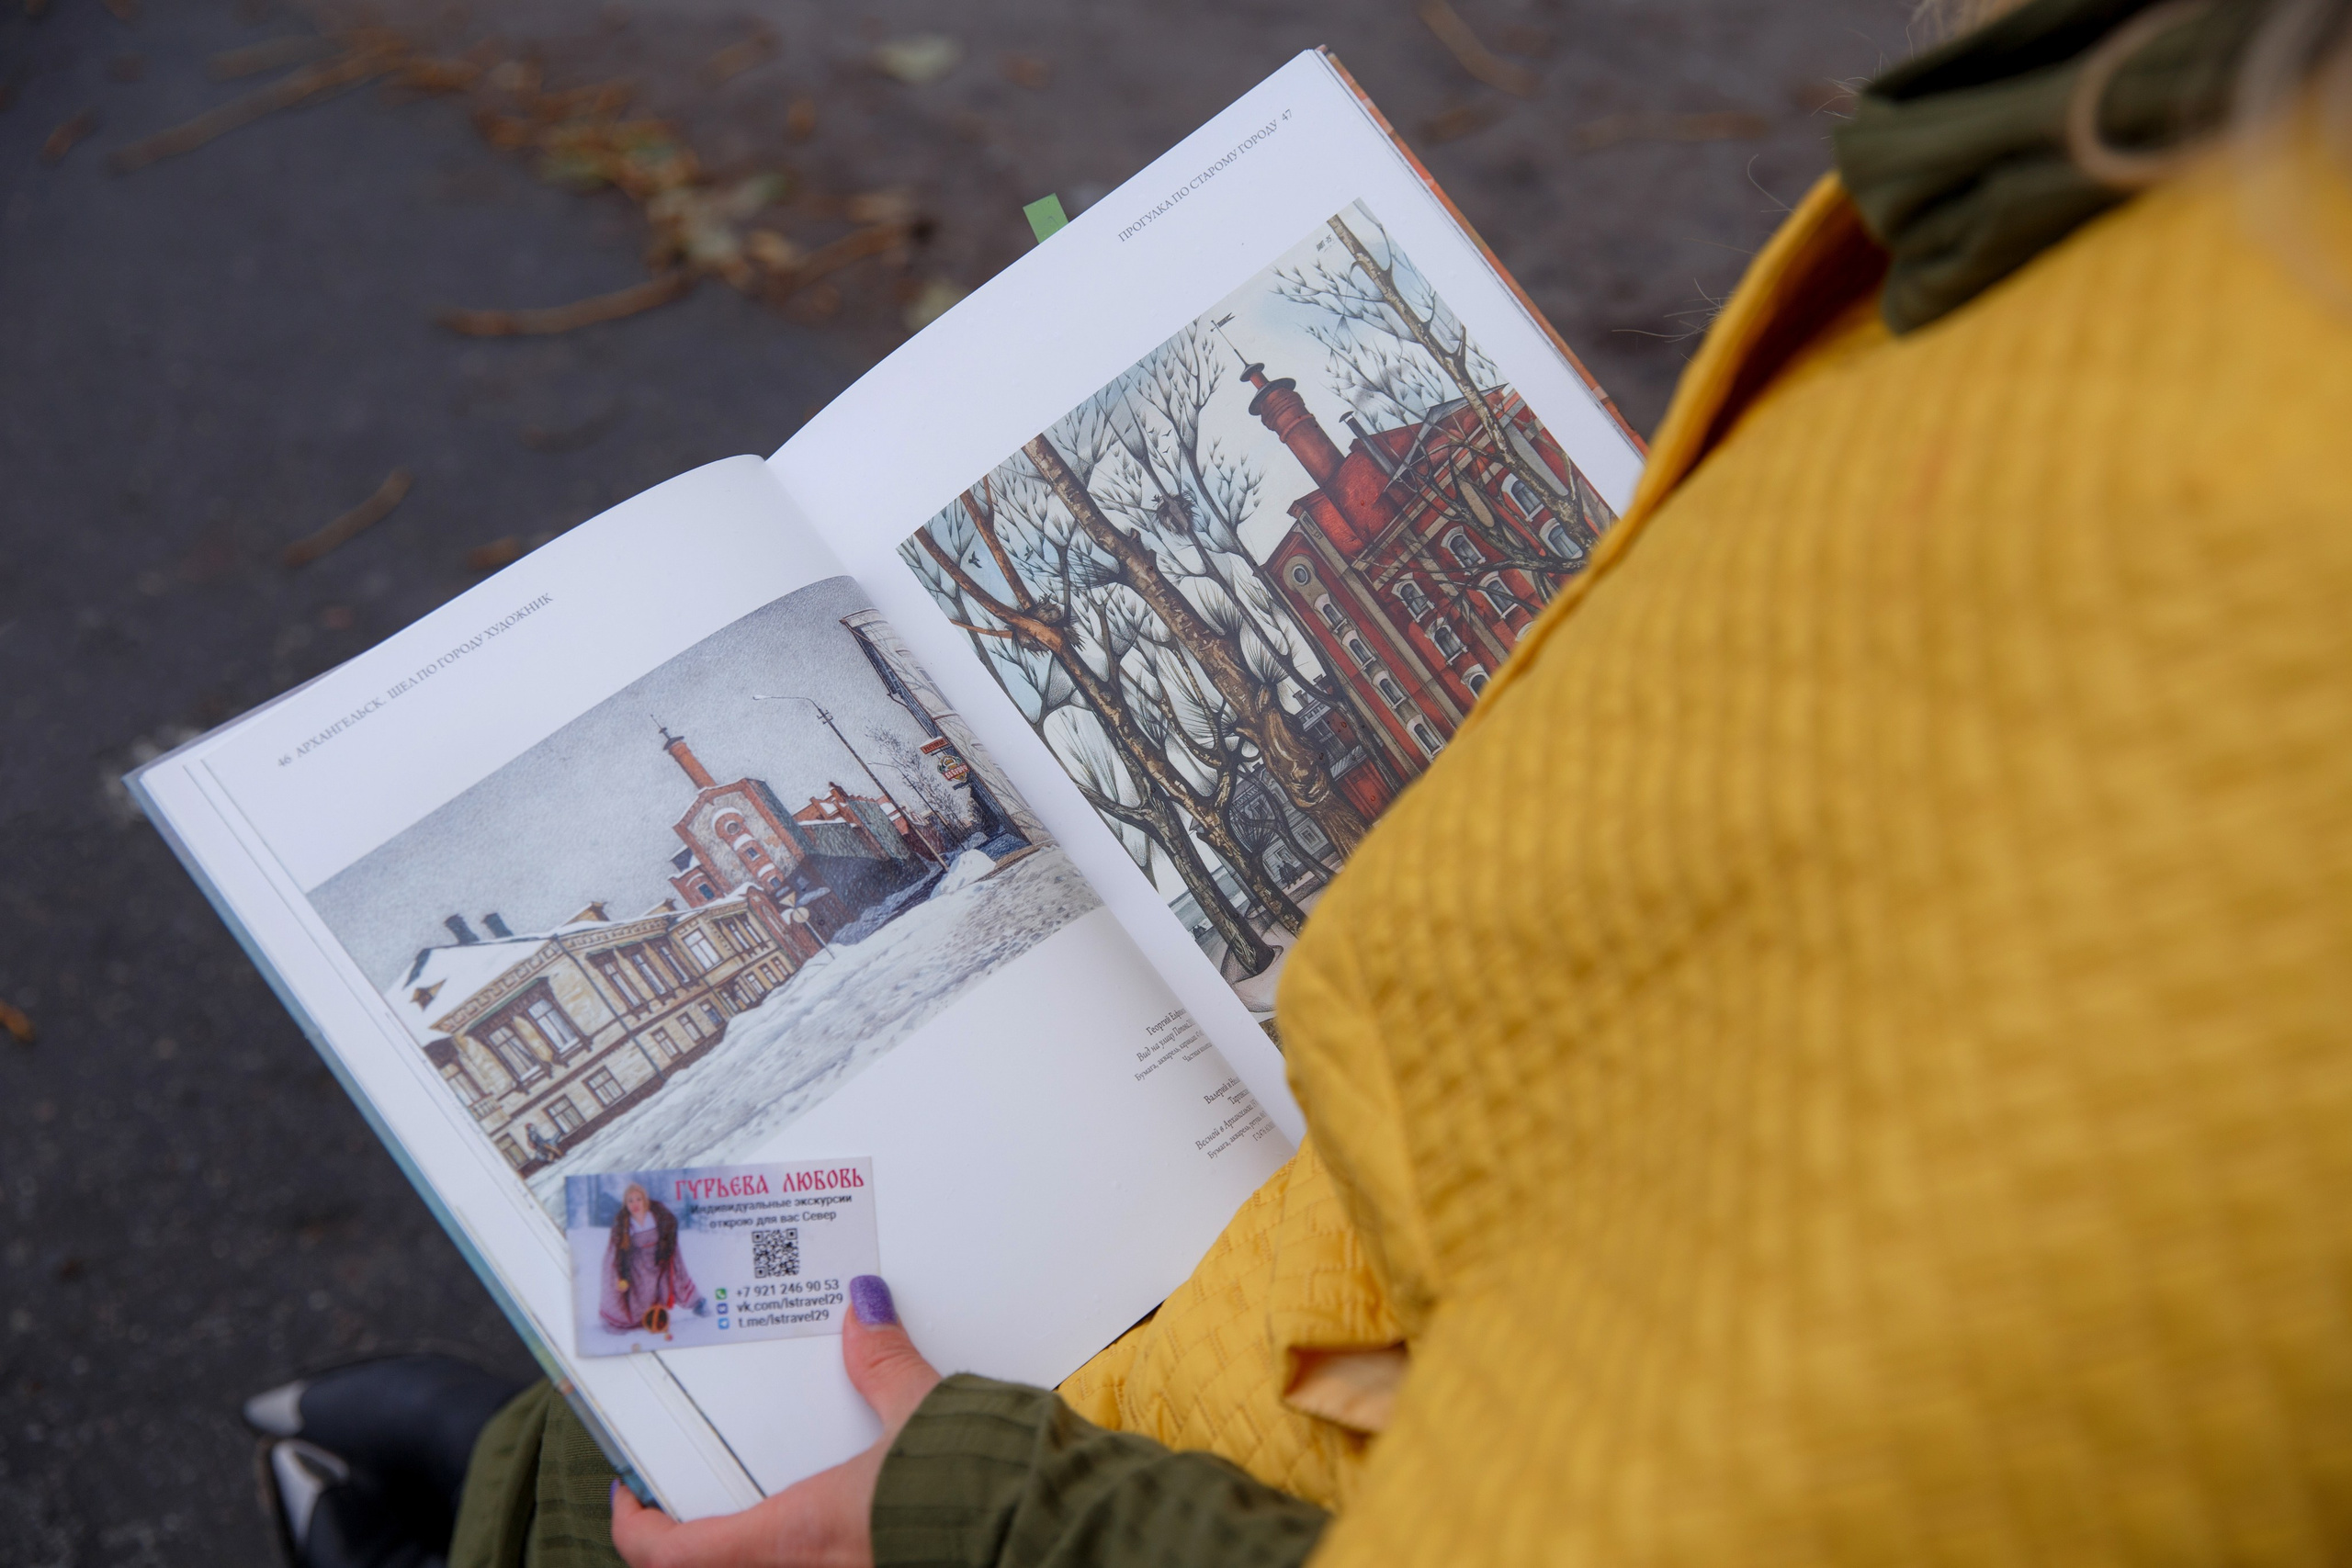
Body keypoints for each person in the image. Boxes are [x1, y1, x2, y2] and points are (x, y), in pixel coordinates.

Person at [250, 0, 2352, 1562]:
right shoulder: (2172, 148)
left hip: (1188, 1436)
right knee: (613, 1426)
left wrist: (1001, 1520)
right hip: (1265, 1285)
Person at [601, 1183, 701, 1339]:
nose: (635, 1204)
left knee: (669, 1284)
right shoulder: (625, 1225)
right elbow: (618, 1253)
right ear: (626, 1204)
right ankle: (646, 1319)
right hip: (638, 1266)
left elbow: (668, 1233)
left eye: (638, 1199)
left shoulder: (657, 1216)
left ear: (645, 1200)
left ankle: (697, 1304)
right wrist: (622, 1276)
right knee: (642, 1295)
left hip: (659, 1260)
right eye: (630, 1201)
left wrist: (664, 1251)